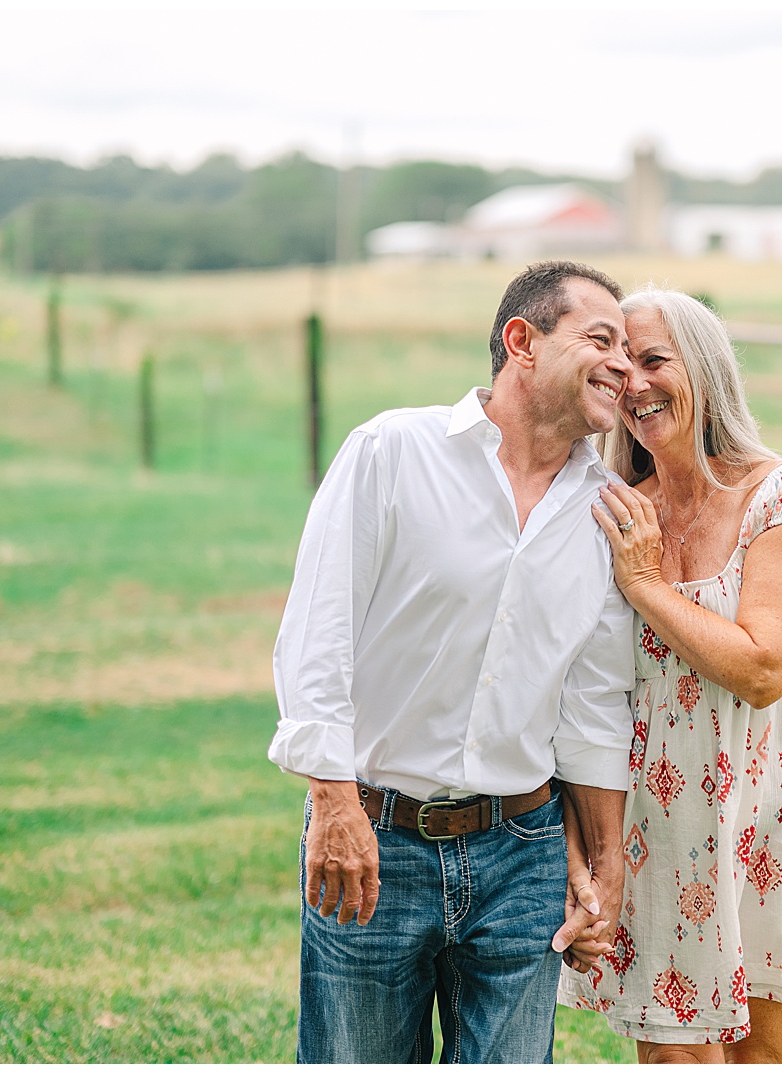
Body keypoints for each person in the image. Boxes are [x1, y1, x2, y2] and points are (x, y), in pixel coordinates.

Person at [268, 261, 637, 1064]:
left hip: (524, 852)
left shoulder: (607, 510)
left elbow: (594, 701)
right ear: (522, 342)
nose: (623, 365)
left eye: (633, 351)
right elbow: (318, 630)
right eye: (601, 339)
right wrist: (333, 801)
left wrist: (601, 868)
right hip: (375, 838)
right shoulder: (391, 451)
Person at [558, 287, 782, 1063]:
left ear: (706, 368)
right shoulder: (619, 511)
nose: (638, 386)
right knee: (672, 1052)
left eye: (656, 361)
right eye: (622, 371)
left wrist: (648, 588)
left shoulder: (780, 494)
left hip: (770, 801)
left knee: (760, 1053)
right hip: (656, 815)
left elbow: (764, 668)